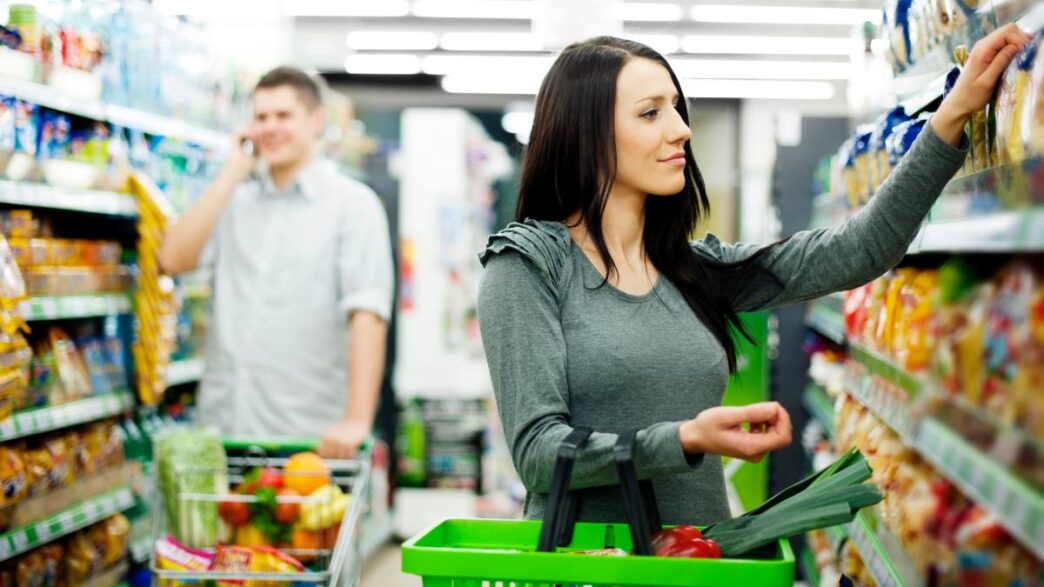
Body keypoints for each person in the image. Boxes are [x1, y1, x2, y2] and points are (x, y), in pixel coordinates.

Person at [477, 26, 1031, 525]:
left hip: (701, 564)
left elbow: (861, 249)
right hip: (589, 569)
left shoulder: (692, 271)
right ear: (586, 135)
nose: (681, 129)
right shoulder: (528, 267)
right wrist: (684, 439)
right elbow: (539, 455)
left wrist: (952, 113)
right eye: (650, 113)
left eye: (677, 108)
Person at [159, 66, 394, 459]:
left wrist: (357, 420)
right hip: (225, 431)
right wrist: (232, 173)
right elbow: (172, 259)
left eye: (283, 115)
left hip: (308, 439)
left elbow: (367, 314)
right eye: (261, 117)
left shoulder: (353, 205)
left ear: (316, 121)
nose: (270, 127)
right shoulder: (235, 203)